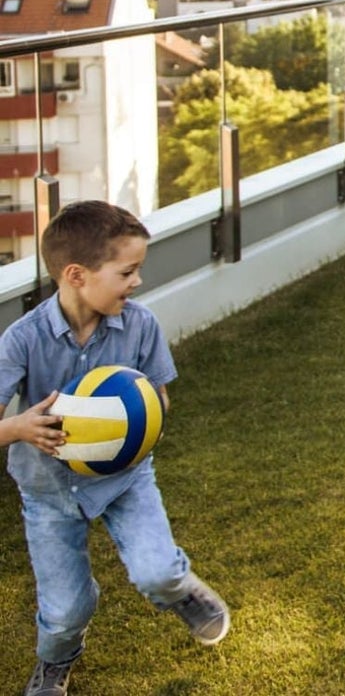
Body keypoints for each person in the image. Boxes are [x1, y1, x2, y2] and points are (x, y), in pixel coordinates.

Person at [0, 201, 231, 696]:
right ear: (77, 274)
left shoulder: (141, 325)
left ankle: (181, 589)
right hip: (49, 491)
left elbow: (159, 397)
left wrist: (145, 423)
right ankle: (56, 661)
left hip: (125, 477)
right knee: (65, 611)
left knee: (158, 573)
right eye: (127, 271)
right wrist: (18, 427)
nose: (137, 282)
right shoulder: (21, 341)